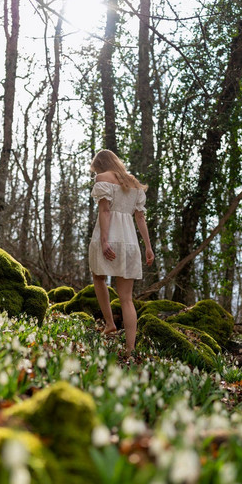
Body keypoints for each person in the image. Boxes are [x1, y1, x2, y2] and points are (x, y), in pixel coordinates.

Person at [88, 149, 155, 358]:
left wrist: (105, 240)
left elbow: (105, 211)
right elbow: (140, 218)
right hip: (130, 243)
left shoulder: (102, 178)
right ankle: (130, 349)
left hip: (109, 237)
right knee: (127, 299)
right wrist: (148, 246)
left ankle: (110, 323)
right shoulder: (133, 183)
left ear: (100, 164)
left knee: (98, 277)